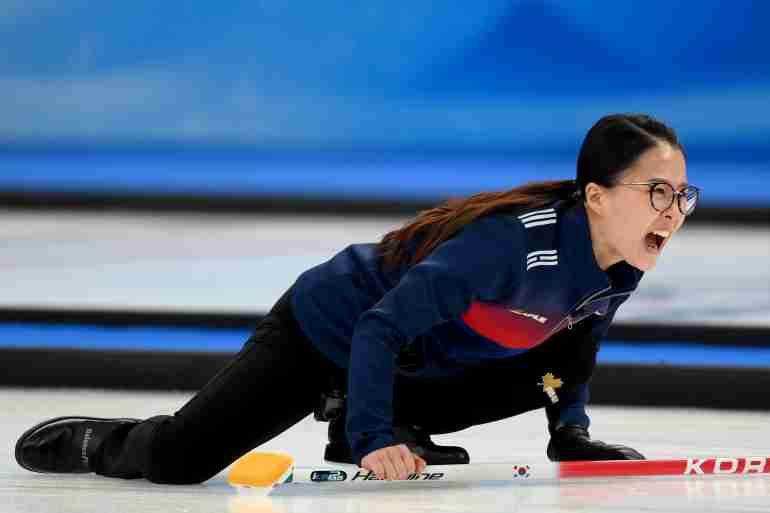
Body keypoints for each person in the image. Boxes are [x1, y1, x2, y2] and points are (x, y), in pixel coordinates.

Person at [15, 113, 699, 483]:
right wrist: (378, 440)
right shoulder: (510, 248)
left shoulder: (622, 255)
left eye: (682, 195)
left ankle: (353, 414)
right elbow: (378, 327)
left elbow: (576, 342)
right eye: (657, 193)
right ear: (597, 197)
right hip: (333, 329)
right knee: (180, 463)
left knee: (542, 361)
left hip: (413, 357)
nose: (672, 211)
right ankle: (104, 442)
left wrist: (569, 432)